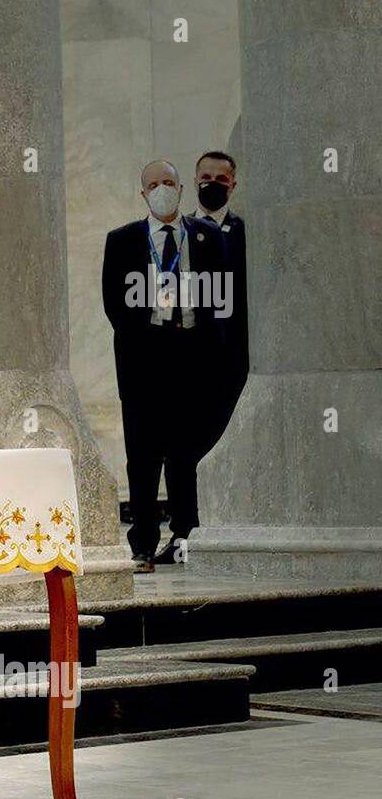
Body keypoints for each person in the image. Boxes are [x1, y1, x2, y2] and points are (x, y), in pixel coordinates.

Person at [102, 160, 227, 571]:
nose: (162, 189)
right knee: (142, 454)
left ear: (181, 188)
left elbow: (221, 299)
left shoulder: (207, 236)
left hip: (192, 356)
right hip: (144, 359)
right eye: (153, 184)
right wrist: (147, 339)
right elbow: (114, 305)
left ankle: (185, 534)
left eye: (168, 182)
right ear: (143, 194)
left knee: (186, 451)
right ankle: (142, 542)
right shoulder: (121, 241)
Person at [191, 150, 249, 459]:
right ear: (196, 181)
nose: (213, 184)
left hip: (235, 356)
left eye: (221, 179)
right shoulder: (180, 232)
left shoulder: (246, 233)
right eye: (206, 178)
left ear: (233, 185)